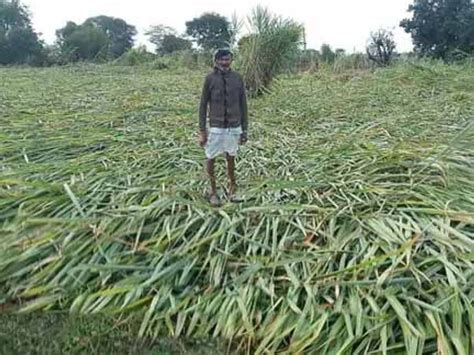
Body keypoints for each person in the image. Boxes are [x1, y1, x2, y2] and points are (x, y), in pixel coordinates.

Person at [198, 48, 248, 206]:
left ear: (231, 61)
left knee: (231, 157)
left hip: (234, 126)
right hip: (216, 126)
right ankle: (213, 191)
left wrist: (244, 130)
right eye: (222, 59)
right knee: (211, 157)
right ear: (216, 61)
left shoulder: (237, 78)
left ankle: (232, 189)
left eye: (228, 59)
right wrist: (202, 131)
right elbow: (202, 105)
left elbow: (243, 105)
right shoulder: (210, 79)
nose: (225, 62)